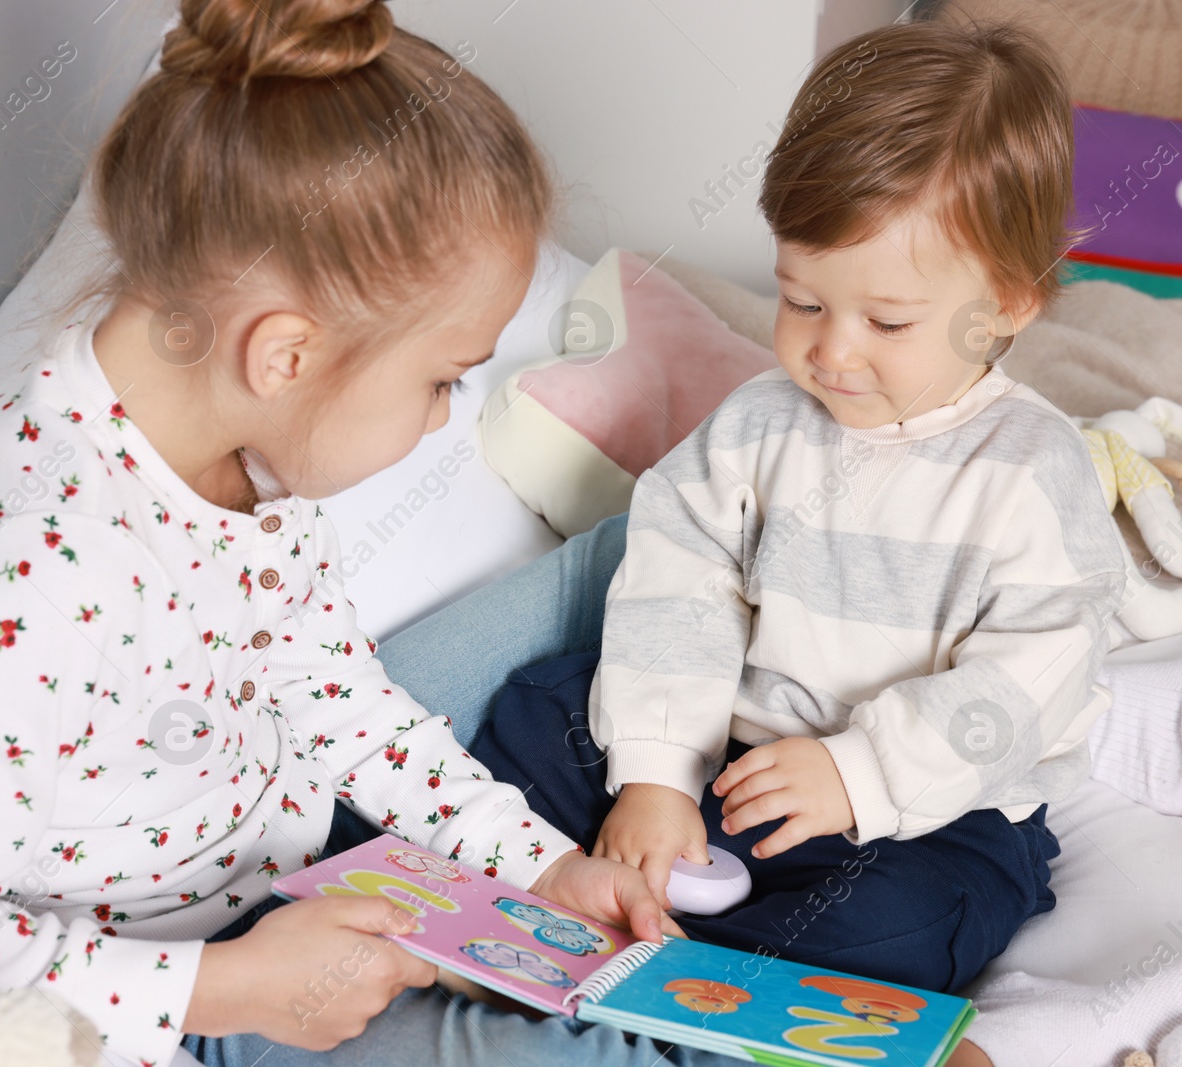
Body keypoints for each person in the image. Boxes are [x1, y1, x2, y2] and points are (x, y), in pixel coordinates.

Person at [0, 2, 743, 1065]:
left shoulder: (224, 441)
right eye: (441, 377)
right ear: (287, 355)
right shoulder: (34, 576)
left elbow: (338, 698)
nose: (449, 412)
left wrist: (532, 864)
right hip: (181, 990)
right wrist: (227, 985)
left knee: (625, 556)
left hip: (286, 851)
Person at [467, 20, 1130, 1067]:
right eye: (801, 299)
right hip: (728, 760)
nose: (830, 349)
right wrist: (656, 770)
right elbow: (677, 581)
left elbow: (1025, 683)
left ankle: (683, 966)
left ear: (1005, 303)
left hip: (922, 810)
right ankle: (585, 889)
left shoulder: (1031, 472)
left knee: (906, 921)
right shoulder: (760, 422)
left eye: (888, 322)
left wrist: (861, 770)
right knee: (534, 712)